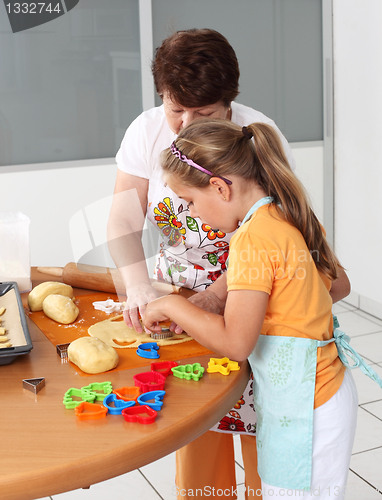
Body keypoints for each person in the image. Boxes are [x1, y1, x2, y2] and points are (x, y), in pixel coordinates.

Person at [107, 29, 296, 499]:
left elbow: (277, 235)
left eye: (204, 113)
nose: (186, 123)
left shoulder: (258, 137)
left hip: (253, 301)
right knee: (196, 426)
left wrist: (218, 294)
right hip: (180, 303)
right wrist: (138, 288)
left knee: (264, 439)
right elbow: (122, 219)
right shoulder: (146, 130)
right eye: (176, 109)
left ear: (229, 103)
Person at [141, 118, 359, 499]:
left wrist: (173, 305)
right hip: (324, 392)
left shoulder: (250, 239)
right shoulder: (289, 212)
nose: (192, 215)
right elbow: (337, 285)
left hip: (306, 406)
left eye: (190, 202)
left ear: (221, 187)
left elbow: (236, 343)